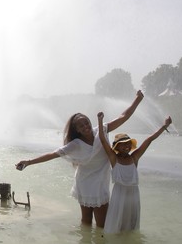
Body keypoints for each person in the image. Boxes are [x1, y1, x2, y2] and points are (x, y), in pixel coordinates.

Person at [15, 90, 145, 228]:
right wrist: (29, 162)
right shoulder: (75, 145)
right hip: (84, 182)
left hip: (100, 183)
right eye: (81, 126)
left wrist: (137, 99)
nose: (86, 127)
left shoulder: (102, 130)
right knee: (86, 222)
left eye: (87, 123)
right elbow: (53, 154)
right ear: (77, 130)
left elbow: (123, 116)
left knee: (102, 225)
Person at [97, 111, 172, 234]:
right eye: (123, 144)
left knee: (131, 225)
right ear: (117, 147)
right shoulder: (114, 158)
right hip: (119, 194)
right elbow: (103, 139)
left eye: (128, 144)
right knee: (116, 225)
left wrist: (164, 126)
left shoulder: (134, 157)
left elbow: (149, 139)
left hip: (133, 194)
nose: (126, 146)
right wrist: (100, 121)